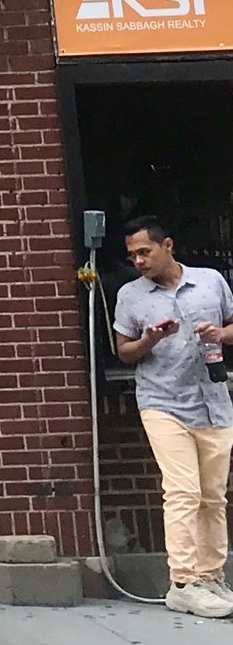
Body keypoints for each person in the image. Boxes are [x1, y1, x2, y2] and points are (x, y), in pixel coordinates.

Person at [111, 215, 233, 617]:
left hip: (213, 399)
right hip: (163, 401)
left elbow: (231, 325)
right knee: (183, 492)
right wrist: (151, 338)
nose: (140, 261)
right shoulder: (131, 295)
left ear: (168, 245)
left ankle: (211, 575)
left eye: (145, 251)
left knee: (213, 496)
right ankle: (182, 581)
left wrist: (219, 335)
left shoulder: (211, 281)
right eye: (133, 256)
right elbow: (123, 351)